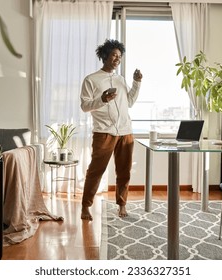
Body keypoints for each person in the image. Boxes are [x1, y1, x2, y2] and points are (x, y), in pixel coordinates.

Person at [80, 39, 143, 220]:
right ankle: (85, 206)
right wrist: (103, 100)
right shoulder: (91, 80)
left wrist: (136, 83)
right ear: (105, 56)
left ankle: (122, 204)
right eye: (114, 55)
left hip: (125, 131)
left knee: (124, 171)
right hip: (103, 132)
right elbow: (85, 106)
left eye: (120, 56)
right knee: (96, 171)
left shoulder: (120, 79)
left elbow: (129, 102)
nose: (117, 59)